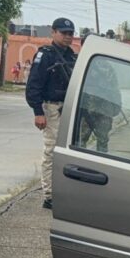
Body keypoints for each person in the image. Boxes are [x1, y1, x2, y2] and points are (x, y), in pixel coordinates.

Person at [25, 17, 77, 210]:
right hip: (51, 108)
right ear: (53, 32)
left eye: (70, 33)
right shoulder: (45, 55)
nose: (67, 37)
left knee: (69, 152)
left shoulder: (72, 56)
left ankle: (63, 191)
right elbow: (34, 86)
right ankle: (50, 195)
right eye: (63, 33)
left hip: (69, 107)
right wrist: (38, 111)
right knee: (52, 151)